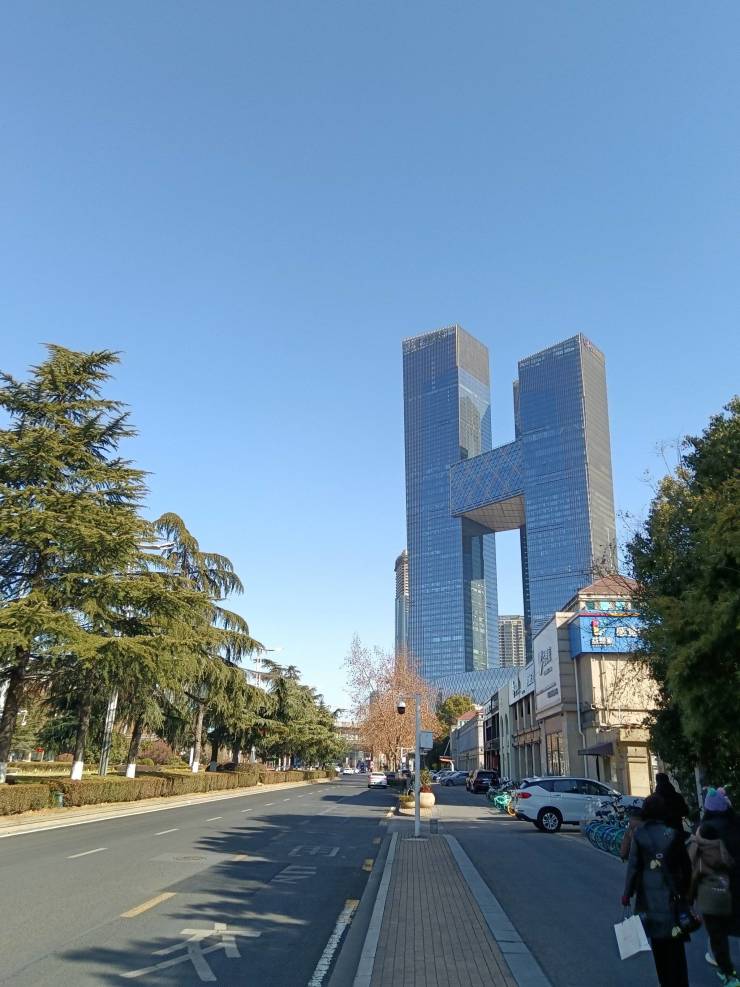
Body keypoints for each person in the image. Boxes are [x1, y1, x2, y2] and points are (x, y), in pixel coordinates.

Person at [623, 794, 692, 987]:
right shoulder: (673, 834)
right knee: (676, 948)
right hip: (673, 898)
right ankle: (680, 982)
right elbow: (686, 867)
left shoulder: (640, 835)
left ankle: (665, 982)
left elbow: (633, 866)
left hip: (648, 899)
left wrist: (627, 893)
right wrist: (687, 893)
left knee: (659, 947)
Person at [689, 811, 739, 986]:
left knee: (717, 936)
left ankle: (729, 975)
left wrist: (689, 900)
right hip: (727, 892)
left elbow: (693, 875)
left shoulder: (698, 846)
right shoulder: (723, 846)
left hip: (708, 897)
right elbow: (731, 865)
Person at [700, 787, 740, 978]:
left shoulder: (703, 830)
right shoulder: (736, 826)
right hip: (736, 886)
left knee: (717, 932)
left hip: (713, 889)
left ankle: (727, 971)